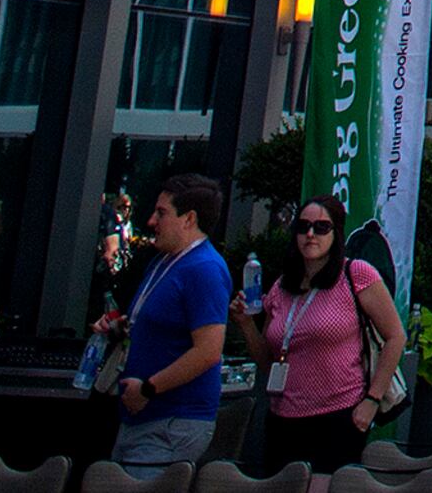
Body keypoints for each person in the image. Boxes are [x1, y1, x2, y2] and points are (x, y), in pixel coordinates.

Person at [232, 193, 400, 469]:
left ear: (336, 233)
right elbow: (267, 360)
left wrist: (372, 400)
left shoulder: (356, 274)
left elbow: (395, 336)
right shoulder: (282, 286)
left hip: (338, 414)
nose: (310, 235)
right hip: (282, 416)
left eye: (321, 228)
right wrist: (246, 324)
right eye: (303, 227)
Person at [98, 172, 227, 471]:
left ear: (189, 219)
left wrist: (149, 389)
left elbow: (208, 351)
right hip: (141, 419)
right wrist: (119, 328)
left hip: (171, 422)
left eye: (162, 213)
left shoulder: (204, 269)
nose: (152, 222)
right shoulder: (164, 262)